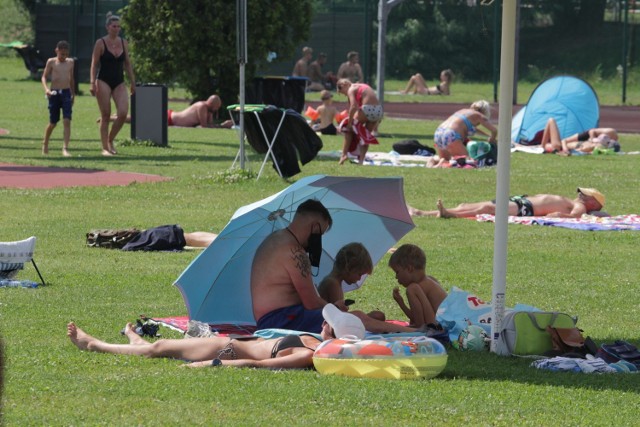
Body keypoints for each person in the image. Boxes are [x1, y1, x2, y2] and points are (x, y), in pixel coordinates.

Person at [250, 199, 418, 335]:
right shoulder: (294, 251)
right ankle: (415, 333)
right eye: (321, 233)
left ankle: (408, 331)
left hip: (274, 318)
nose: (318, 240)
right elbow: (311, 303)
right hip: (282, 320)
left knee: (353, 318)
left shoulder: (276, 239)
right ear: (315, 227)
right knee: (355, 318)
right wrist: (337, 310)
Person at [66, 304, 364, 369]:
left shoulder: (310, 355)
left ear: (336, 334)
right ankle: (136, 341)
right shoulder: (315, 340)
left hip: (229, 350)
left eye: (330, 324)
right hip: (234, 345)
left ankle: (94, 344)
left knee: (157, 348)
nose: (324, 324)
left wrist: (210, 365)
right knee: (162, 348)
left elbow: (257, 366)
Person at [90, 12, 135, 156]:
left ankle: (110, 140)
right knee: (106, 114)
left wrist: (133, 82)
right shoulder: (100, 43)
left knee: (122, 113)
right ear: (108, 27)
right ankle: (105, 148)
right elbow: (94, 64)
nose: (117, 29)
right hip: (103, 80)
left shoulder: (123, 42)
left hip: (119, 81)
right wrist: (92, 82)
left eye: (119, 27)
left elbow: (127, 64)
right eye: (114, 26)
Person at [408, 187, 606, 219]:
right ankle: (424, 213)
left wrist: (558, 216)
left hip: (526, 208)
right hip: (522, 200)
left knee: (487, 208)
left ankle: (450, 214)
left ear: (593, 204)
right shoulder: (573, 201)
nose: (580, 195)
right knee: (466, 204)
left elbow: (575, 217)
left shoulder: (578, 207)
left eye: (585, 195)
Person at [389, 244, 447, 328]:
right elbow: (418, 317)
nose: (396, 277)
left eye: (397, 272)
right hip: (448, 324)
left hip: (438, 328)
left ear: (409, 269)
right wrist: (400, 301)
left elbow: (419, 323)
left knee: (412, 288)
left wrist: (401, 304)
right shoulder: (431, 280)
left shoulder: (414, 289)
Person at [429, 100, 497, 167]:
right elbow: (494, 130)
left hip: (439, 132)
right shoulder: (479, 116)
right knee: (468, 163)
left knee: (446, 160)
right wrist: (492, 139)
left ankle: (434, 161)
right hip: (451, 134)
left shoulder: (463, 111)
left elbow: (473, 129)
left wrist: (487, 136)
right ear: (485, 111)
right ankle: (441, 163)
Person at [100, 95, 231, 128]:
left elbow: (210, 125)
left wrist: (220, 125)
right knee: (140, 120)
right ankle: (113, 118)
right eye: (216, 107)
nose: (216, 110)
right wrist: (223, 126)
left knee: (141, 119)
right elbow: (205, 126)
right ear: (212, 104)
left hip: (171, 117)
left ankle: (116, 117)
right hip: (169, 118)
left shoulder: (207, 110)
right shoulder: (202, 106)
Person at [336, 78, 383, 165]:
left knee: (348, 129)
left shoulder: (351, 88)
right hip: (378, 110)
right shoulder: (361, 86)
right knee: (365, 136)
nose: (345, 95)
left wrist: (350, 123)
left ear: (344, 85)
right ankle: (361, 160)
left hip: (368, 109)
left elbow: (353, 106)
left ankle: (344, 155)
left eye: (343, 92)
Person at [41, 40, 74, 157]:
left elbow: (71, 79)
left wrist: (73, 94)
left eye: (66, 54)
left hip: (66, 93)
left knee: (67, 120)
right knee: (53, 123)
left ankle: (65, 148)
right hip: (54, 93)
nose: (64, 57)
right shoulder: (51, 62)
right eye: (61, 54)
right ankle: (45, 142)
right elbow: (44, 77)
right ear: (57, 51)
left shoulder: (70, 62)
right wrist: (46, 89)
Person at [539, 118, 620, 155]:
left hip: (558, 147)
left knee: (551, 121)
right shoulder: (588, 139)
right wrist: (565, 150)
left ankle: (542, 146)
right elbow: (564, 141)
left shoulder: (592, 145)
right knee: (551, 120)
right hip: (560, 146)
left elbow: (581, 150)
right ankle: (542, 146)